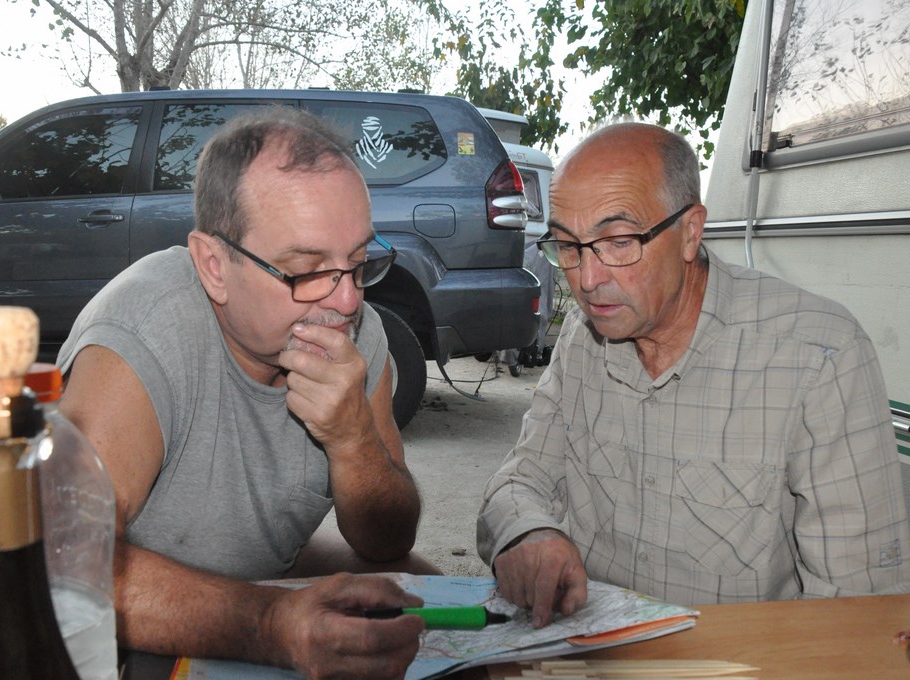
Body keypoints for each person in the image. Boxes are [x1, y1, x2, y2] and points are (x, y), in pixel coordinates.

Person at [477, 122, 910, 628]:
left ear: (690, 233)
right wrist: (529, 535)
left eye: (618, 241)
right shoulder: (581, 339)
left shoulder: (817, 356)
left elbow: (860, 614)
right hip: (590, 655)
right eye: (568, 246)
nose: (587, 281)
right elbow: (518, 482)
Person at [57, 107, 433, 678]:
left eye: (357, 263)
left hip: (261, 581)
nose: (348, 302)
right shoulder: (142, 333)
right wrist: (272, 624)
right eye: (306, 269)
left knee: (410, 582)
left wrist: (354, 439)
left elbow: (388, 537)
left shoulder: (357, 330)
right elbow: (66, 564)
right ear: (214, 265)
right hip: (131, 625)